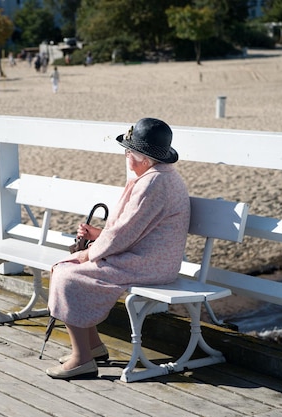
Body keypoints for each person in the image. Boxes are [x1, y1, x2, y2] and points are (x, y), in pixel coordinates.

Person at [45, 117, 191, 379]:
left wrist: (88, 252)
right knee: (68, 270)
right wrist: (100, 236)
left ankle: (82, 360)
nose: (126, 155)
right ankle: (92, 348)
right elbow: (133, 230)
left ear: (144, 158)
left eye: (129, 151)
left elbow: (125, 233)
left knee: (68, 275)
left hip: (151, 264)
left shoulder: (153, 183)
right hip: (148, 257)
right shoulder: (158, 177)